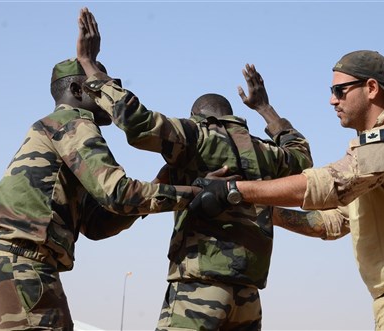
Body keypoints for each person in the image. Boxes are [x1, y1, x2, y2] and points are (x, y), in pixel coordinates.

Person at [192, 50, 384, 329]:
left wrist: (235, 189)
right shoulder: (373, 156)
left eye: (340, 90)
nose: (332, 99)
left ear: (372, 88)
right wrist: (260, 206)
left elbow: (329, 184)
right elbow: (331, 222)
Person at [75, 8, 312, 329]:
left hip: (200, 287)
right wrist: (265, 109)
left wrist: (90, 66)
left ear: (198, 117)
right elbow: (301, 156)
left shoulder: (195, 136)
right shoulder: (266, 152)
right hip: (248, 296)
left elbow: (136, 121)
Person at [0, 23, 199, 330]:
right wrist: (199, 193)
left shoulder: (51, 130)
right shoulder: (73, 122)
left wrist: (160, 187)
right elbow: (117, 194)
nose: (107, 88)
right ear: (78, 90)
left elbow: (96, 225)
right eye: (98, 83)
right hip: (21, 265)